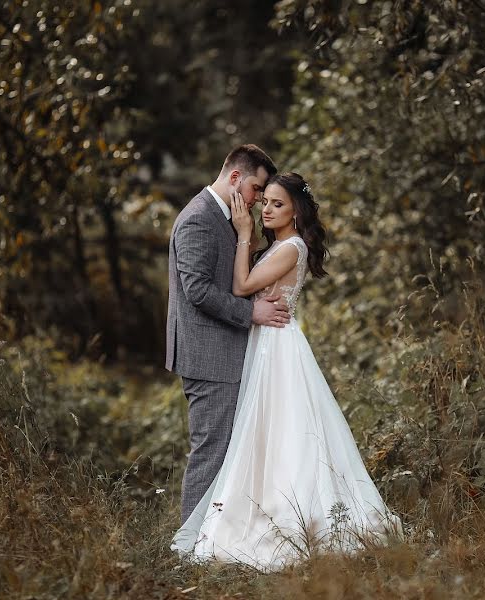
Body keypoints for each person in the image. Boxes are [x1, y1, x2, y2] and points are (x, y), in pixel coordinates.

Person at [171, 172, 400, 572]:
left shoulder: (291, 247)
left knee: (283, 433)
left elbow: (241, 287)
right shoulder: (278, 246)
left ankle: (293, 517)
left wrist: (243, 231)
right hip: (266, 344)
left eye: (277, 204)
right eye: (266, 203)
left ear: (297, 211)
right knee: (267, 434)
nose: (266, 209)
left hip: (278, 349)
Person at [166, 144, 291, 525]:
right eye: (256, 189)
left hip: (223, 351)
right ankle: (189, 546)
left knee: (226, 451)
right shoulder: (198, 219)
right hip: (208, 355)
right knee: (211, 451)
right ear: (235, 178)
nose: (257, 200)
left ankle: (215, 538)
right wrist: (252, 311)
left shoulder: (226, 218)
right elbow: (198, 290)